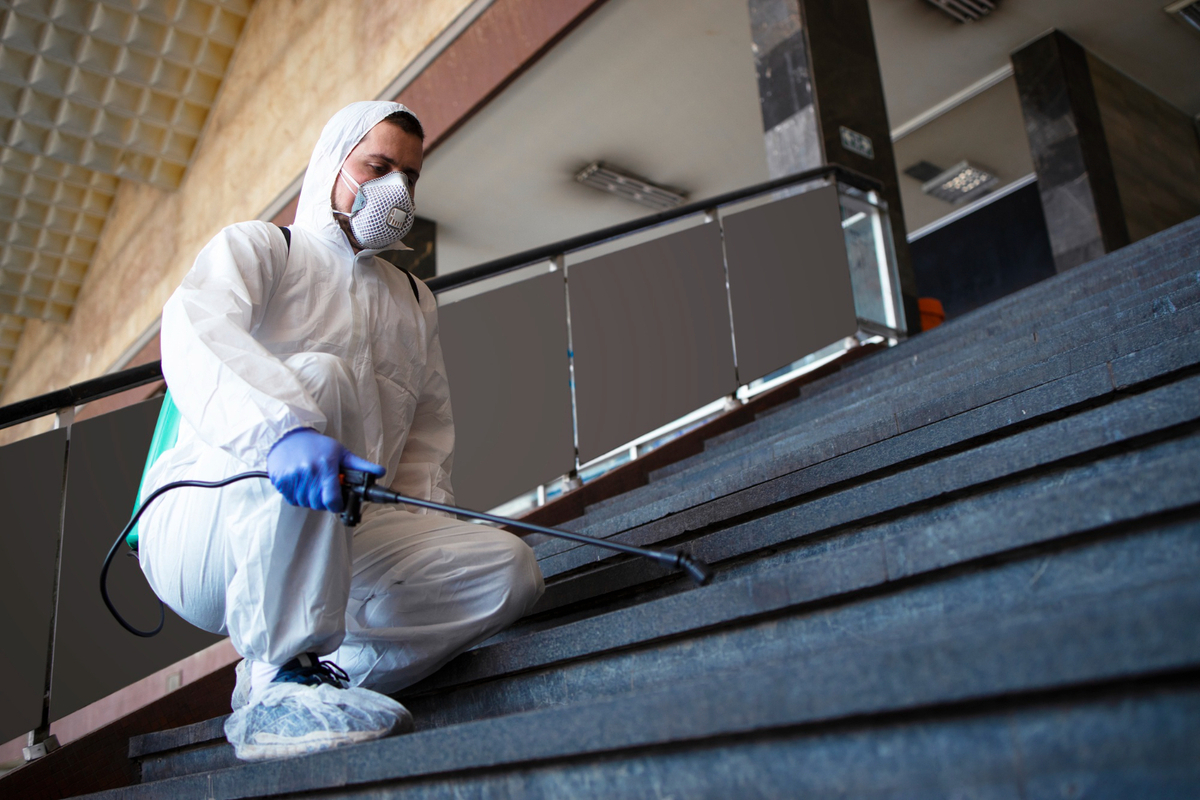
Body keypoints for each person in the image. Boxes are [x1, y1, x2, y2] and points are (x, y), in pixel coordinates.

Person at [136, 101, 545, 761]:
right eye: (378, 168)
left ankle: (311, 681)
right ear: (332, 163)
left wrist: (427, 540)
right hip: (206, 526)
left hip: (337, 538)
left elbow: (425, 445)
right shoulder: (263, 249)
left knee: (508, 571)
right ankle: (277, 675)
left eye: (409, 177)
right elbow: (192, 334)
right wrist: (281, 434)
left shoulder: (413, 302)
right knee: (321, 379)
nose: (397, 191)